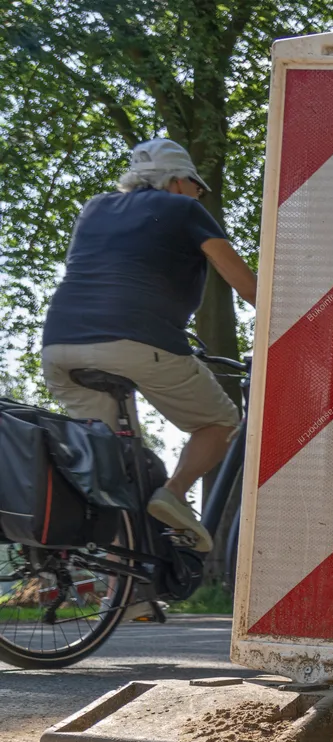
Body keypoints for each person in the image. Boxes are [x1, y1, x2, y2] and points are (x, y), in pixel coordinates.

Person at [40, 138, 259, 551]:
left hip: (60, 347)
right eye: (198, 185)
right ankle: (174, 494)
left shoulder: (94, 208)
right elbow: (243, 282)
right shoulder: (183, 209)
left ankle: (128, 592)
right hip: (137, 340)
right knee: (219, 423)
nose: (199, 194)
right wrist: (291, 320)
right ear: (178, 181)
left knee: (114, 472)